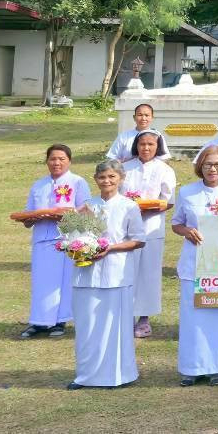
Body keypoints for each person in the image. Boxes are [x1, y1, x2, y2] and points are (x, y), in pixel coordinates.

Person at [68, 159, 146, 390]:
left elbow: (138, 240)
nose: (107, 181)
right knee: (87, 326)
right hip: (87, 274)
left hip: (116, 275)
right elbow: (70, 235)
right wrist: (79, 244)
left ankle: (117, 376)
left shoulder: (129, 206)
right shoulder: (86, 205)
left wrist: (109, 248)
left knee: (114, 328)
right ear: (95, 179)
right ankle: (86, 376)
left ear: (120, 179)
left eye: (112, 177)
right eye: (102, 177)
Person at [173, 144, 218, 386]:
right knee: (193, 315)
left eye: (217, 164)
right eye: (207, 164)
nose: (212, 169)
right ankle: (192, 368)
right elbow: (176, 223)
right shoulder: (187, 192)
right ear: (200, 167)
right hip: (194, 261)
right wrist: (187, 231)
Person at [20, 144, 91, 339]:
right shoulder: (38, 185)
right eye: (53, 159)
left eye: (61, 159)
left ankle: (60, 321)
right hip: (42, 240)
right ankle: (39, 322)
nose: (56, 163)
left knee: (62, 282)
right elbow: (28, 215)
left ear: (69, 161)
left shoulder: (78, 182)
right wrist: (30, 219)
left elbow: (86, 212)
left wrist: (64, 216)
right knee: (42, 282)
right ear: (47, 161)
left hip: (67, 240)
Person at [120, 130, 176, 339]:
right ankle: (125, 315)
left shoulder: (165, 170)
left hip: (152, 226)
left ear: (157, 147)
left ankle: (144, 317)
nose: (146, 148)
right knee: (126, 270)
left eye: (151, 144)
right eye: (142, 144)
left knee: (149, 273)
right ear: (136, 146)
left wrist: (149, 208)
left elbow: (168, 200)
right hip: (125, 227)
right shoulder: (125, 168)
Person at [106, 103, 171, 162]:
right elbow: (112, 157)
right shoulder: (124, 136)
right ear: (134, 117)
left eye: (147, 115)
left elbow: (164, 158)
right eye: (140, 115)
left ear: (152, 118)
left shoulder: (157, 136)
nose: (143, 118)